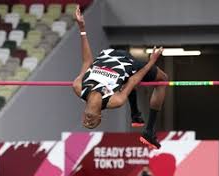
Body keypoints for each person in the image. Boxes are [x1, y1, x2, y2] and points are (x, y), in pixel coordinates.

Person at [72, 5, 168, 149]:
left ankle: (135, 114)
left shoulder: (79, 87)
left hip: (107, 55)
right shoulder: (115, 100)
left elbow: (87, 61)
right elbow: (134, 79)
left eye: (86, 122)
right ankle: (149, 130)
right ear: (100, 116)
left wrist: (82, 29)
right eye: (92, 124)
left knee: (125, 84)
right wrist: (152, 61)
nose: (88, 122)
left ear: (83, 115)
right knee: (163, 79)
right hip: (127, 64)